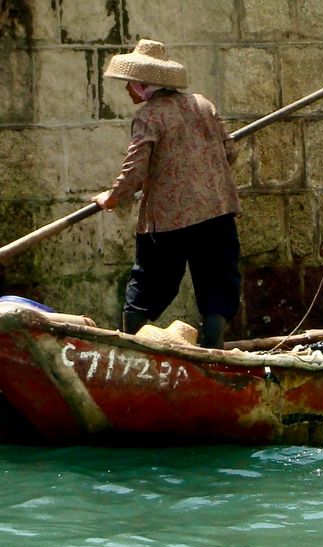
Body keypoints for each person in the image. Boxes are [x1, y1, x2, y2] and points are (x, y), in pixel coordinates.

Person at [93, 39, 241, 349]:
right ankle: (214, 347)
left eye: (130, 84)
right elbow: (229, 151)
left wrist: (112, 196)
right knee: (217, 283)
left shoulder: (149, 116)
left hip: (169, 219)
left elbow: (136, 169)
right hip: (216, 211)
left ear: (143, 85)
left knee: (150, 281)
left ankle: (132, 345)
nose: (127, 90)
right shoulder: (203, 105)